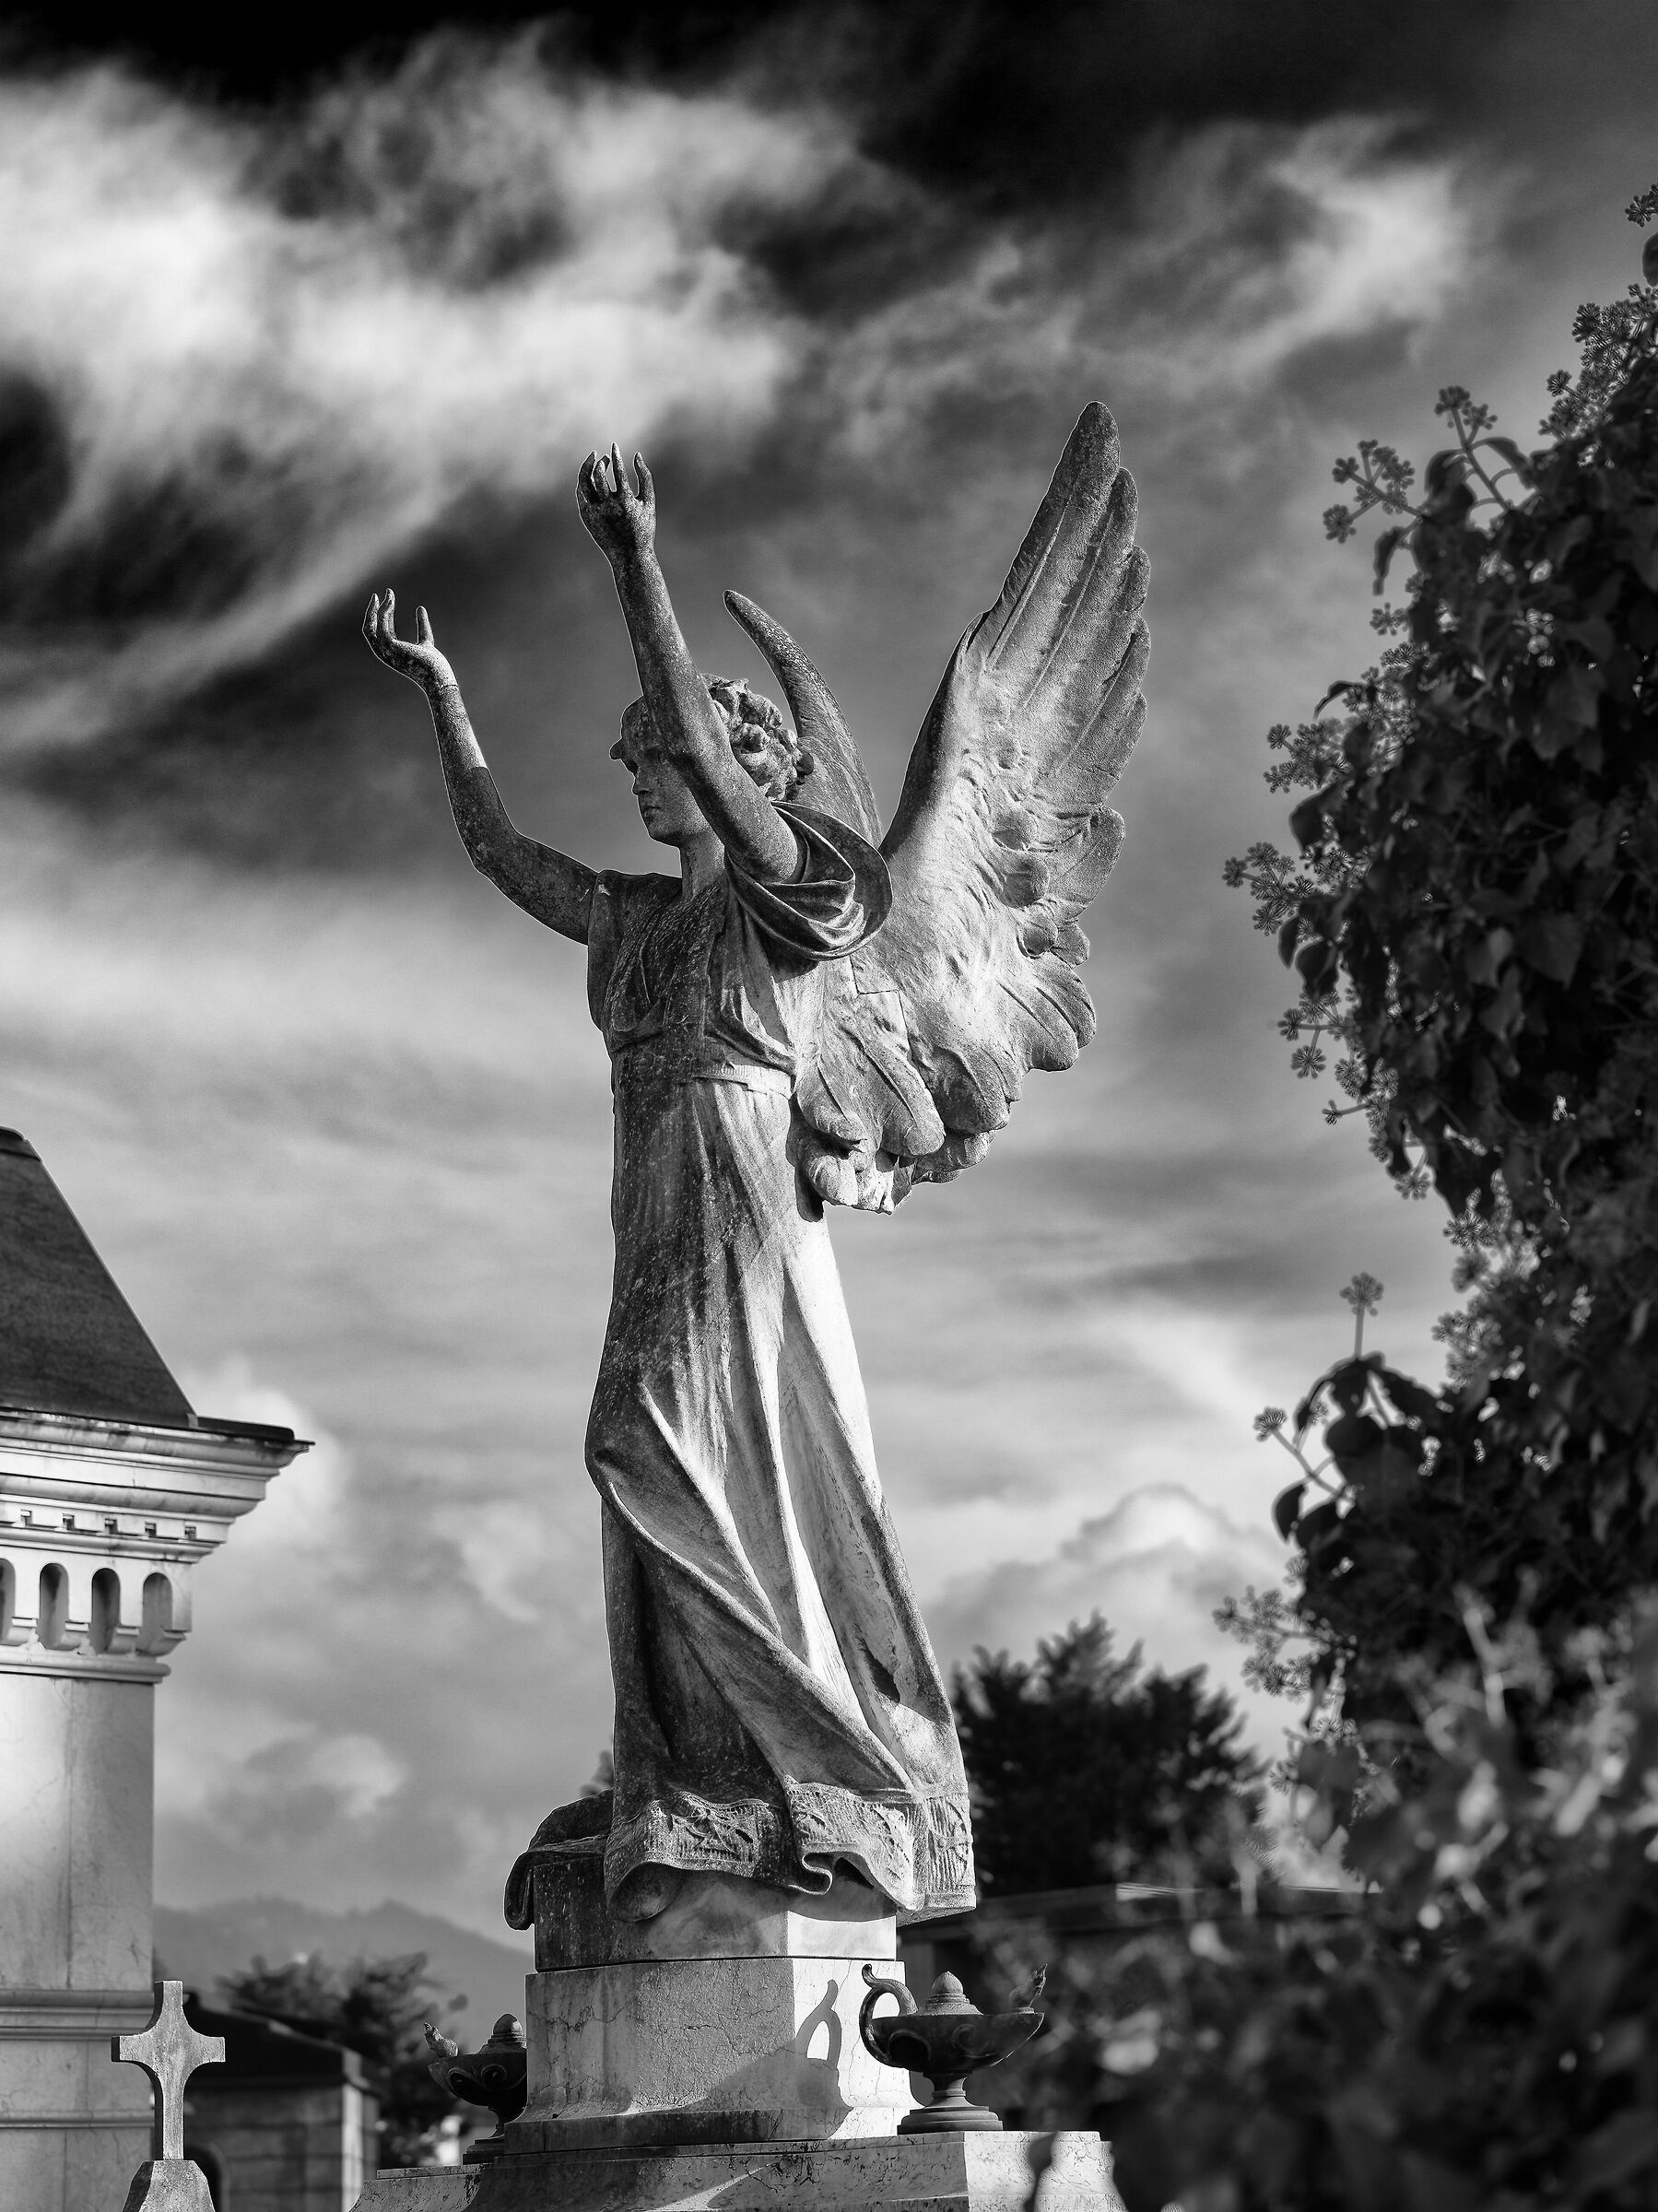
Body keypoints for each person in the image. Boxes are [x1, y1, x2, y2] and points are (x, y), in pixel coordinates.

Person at [362, 445, 973, 1924]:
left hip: (746, 1205)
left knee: (650, 1448)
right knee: (647, 1471)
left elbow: (702, 745)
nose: (641, 774)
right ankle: (703, 1773)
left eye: (659, 753)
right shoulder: (628, 922)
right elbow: (502, 851)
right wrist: (443, 695)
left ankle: (818, 1770)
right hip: (654, 1212)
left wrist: (633, 558)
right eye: (633, 758)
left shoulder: (792, 902)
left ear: (739, 768)